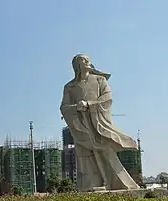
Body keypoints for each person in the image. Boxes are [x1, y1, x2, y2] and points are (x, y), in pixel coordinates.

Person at [60, 54, 140, 191]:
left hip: (97, 124)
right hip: (81, 127)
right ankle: (91, 185)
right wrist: (77, 107)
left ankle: (118, 183)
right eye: (83, 60)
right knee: (85, 157)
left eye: (87, 59)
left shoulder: (99, 80)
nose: (87, 62)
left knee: (105, 152)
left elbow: (107, 97)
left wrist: (90, 104)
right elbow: (64, 107)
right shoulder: (70, 87)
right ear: (77, 66)